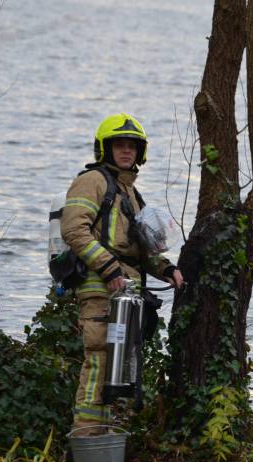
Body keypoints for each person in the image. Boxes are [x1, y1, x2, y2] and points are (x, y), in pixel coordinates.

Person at [60, 112, 184, 435]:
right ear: (106, 148)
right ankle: (86, 438)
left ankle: (103, 439)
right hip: (100, 288)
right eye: (120, 145)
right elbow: (73, 230)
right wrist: (109, 268)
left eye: (132, 146)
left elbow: (142, 248)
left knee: (118, 370)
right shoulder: (93, 181)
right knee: (100, 361)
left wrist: (167, 269)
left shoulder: (130, 194)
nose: (127, 151)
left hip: (125, 291)